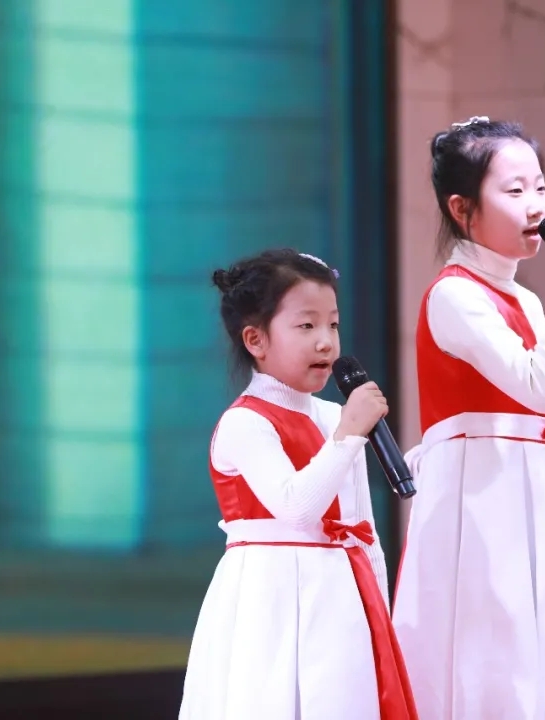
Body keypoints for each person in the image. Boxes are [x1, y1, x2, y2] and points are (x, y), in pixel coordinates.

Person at [391, 117, 545, 719]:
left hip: (531, 489)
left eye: (539, 187)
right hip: (482, 497)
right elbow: (537, 387)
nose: (535, 206)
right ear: (462, 208)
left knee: (544, 654)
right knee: (494, 652)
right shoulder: (454, 294)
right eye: (514, 191)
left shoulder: (525, 299)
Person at [179, 248, 417, 719]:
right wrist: (349, 434)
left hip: (341, 601)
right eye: (306, 326)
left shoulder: (335, 417)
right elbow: (296, 508)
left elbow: (363, 532)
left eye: (333, 324)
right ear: (256, 339)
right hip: (269, 602)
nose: (326, 342)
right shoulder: (246, 423)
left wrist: (379, 620)